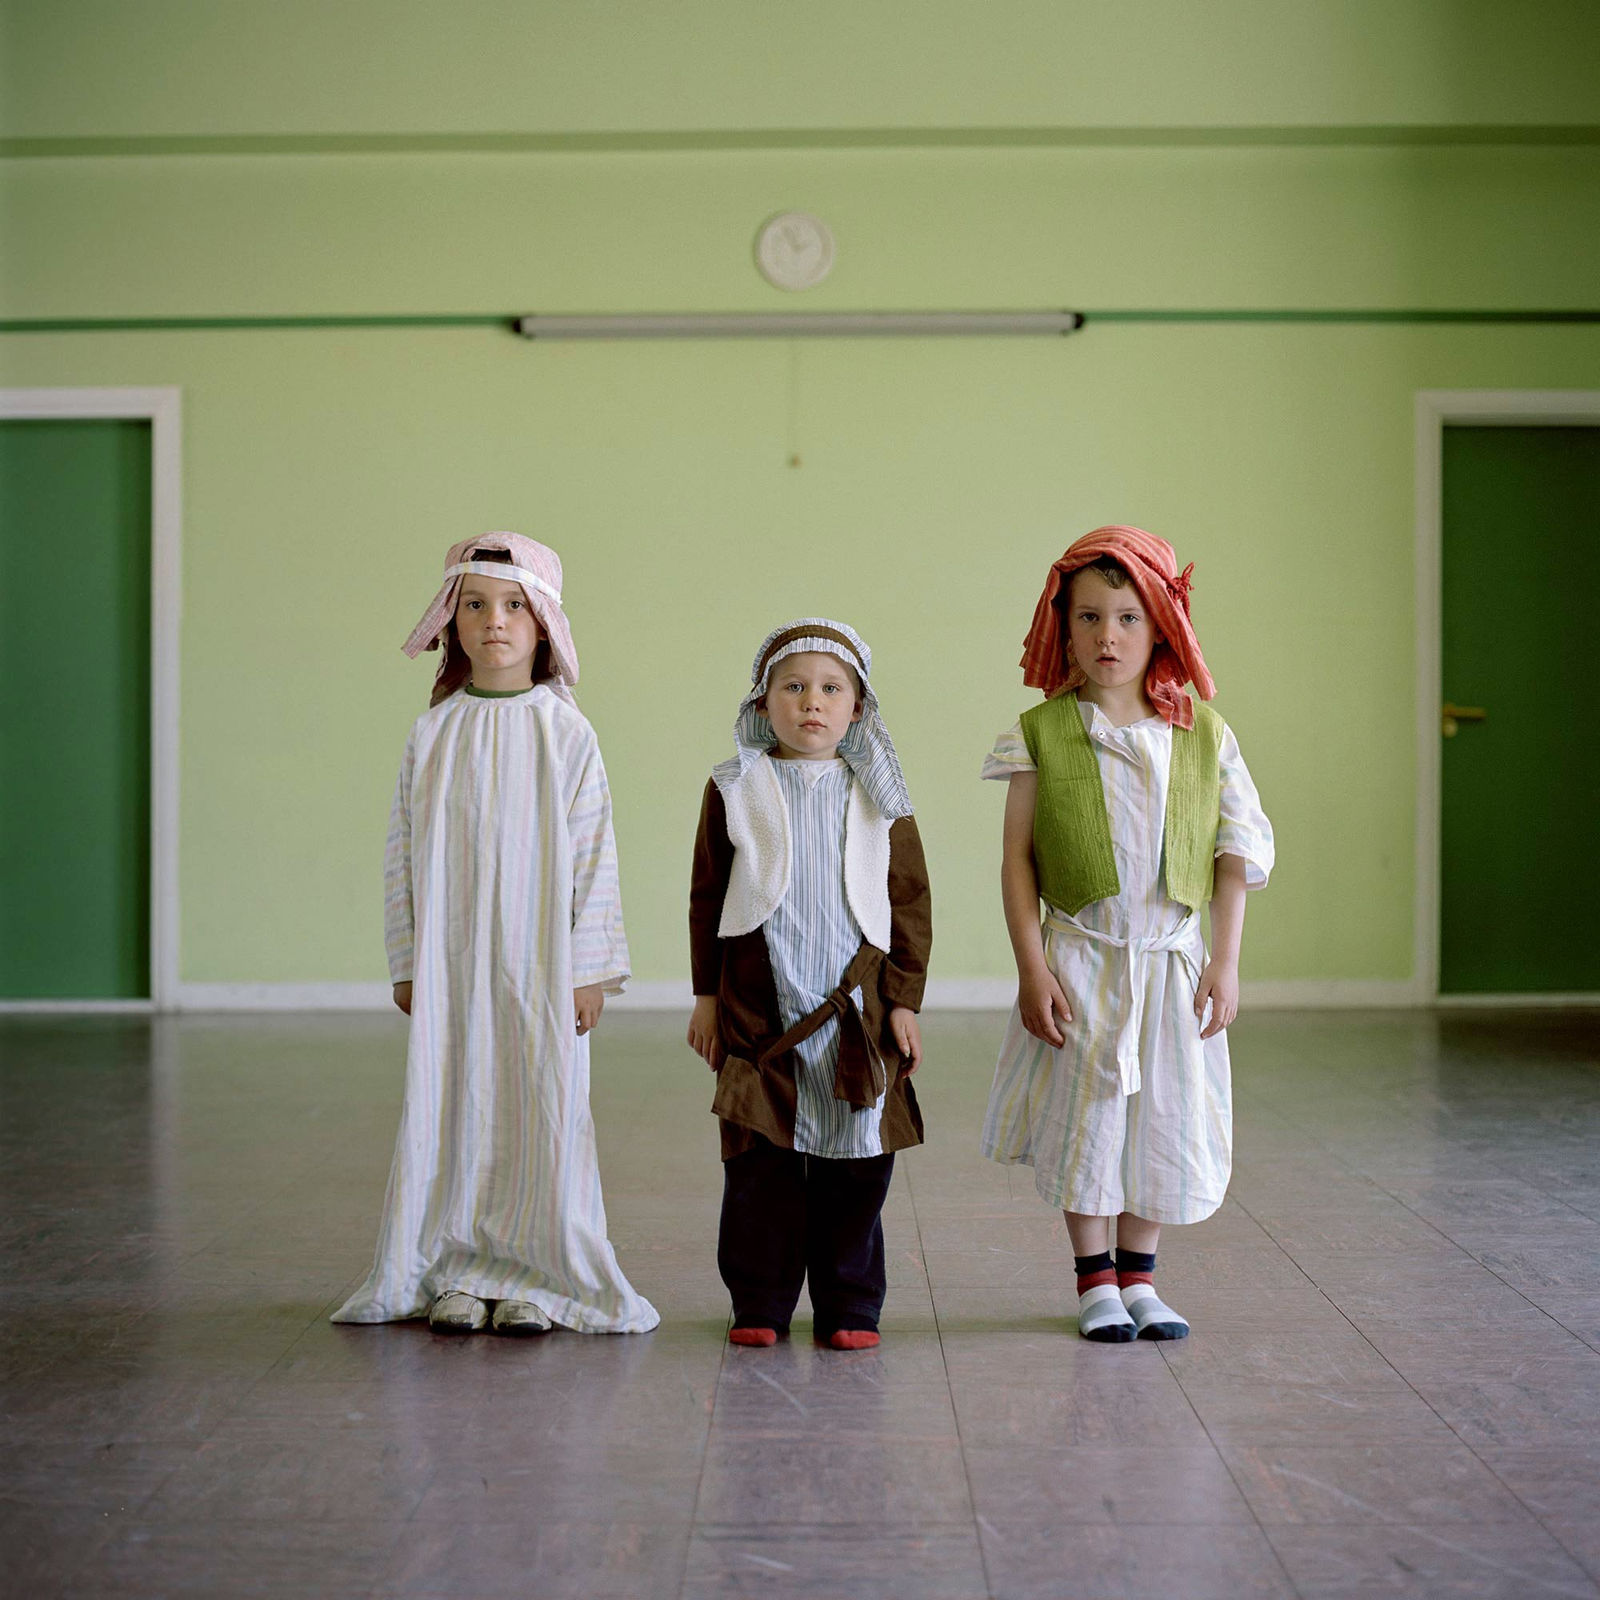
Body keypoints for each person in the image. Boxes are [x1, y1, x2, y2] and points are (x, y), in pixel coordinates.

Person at [332, 533, 658, 1337]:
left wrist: (590, 971)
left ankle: (541, 1277)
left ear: (544, 623)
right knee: (455, 1104)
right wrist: (408, 961)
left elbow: (593, 855)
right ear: (451, 621)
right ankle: (454, 1266)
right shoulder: (433, 734)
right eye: (474, 605)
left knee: (542, 1106)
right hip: (452, 966)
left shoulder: (567, 735)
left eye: (514, 605)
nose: (494, 622)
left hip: (542, 966)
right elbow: (402, 855)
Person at [980, 527, 1273, 1341]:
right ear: (1062, 627)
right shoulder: (1040, 733)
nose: (1107, 636)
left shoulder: (1204, 735)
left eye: (1127, 618)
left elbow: (1233, 849)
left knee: (1163, 1116)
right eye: (1088, 618)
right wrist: (1033, 968)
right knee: (1090, 1117)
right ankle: (1093, 1282)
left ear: (1161, 627)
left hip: (1171, 964)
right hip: (1083, 959)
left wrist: (1226, 960)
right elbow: (1016, 862)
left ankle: (1141, 1279)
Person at [686, 620, 932, 1351]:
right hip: (761, 1013)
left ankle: (850, 1305)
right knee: (760, 1168)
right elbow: (708, 895)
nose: (811, 703)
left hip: (860, 1011)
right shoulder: (734, 789)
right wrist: (706, 997)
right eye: (792, 688)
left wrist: (906, 1001)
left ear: (857, 708)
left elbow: (909, 900)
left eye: (831, 688)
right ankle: (758, 1301)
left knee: (855, 1171)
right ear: (763, 705)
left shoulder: (880, 797)